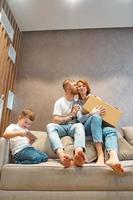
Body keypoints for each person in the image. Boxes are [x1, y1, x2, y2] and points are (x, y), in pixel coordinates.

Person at [76, 79, 124, 173]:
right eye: (79, 86)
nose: (81, 87)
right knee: (96, 116)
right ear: (77, 89)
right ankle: (100, 155)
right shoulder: (77, 103)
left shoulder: (95, 98)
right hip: (86, 128)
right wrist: (91, 113)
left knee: (110, 129)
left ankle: (113, 158)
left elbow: (106, 111)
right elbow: (80, 119)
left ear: (87, 88)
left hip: (99, 126)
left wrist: (105, 107)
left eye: (83, 85)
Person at [47, 79, 86, 168]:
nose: (77, 86)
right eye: (74, 85)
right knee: (50, 126)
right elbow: (55, 119)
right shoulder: (60, 102)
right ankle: (62, 156)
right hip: (62, 127)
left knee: (79, 125)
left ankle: (78, 155)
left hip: (73, 127)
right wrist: (70, 116)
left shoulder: (78, 102)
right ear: (68, 88)